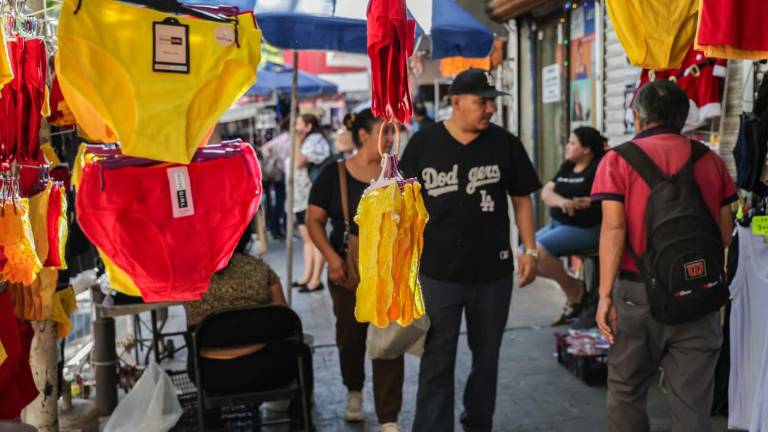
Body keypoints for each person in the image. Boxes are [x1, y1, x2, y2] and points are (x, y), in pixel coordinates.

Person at [399, 68, 541, 432]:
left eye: (492, 102)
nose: (490, 109)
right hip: (437, 274)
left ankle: (479, 423)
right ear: (456, 102)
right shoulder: (423, 144)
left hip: (493, 274)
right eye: (482, 102)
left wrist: (530, 248)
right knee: (436, 359)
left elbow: (522, 198)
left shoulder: (505, 143)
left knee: (487, 358)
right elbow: (403, 206)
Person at [591, 80, 737, 432]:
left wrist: (604, 295)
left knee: (627, 390)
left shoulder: (617, 160)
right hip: (699, 293)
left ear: (638, 117)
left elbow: (614, 229)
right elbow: (723, 230)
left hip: (636, 295)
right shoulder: (711, 160)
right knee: (693, 401)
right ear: (684, 117)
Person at [306, 109, 403, 432]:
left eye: (394, 133)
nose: (391, 139)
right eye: (385, 133)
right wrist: (332, 260)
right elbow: (314, 220)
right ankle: (354, 392)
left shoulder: (398, 173)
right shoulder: (334, 175)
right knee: (351, 335)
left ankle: (389, 415)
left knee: (389, 340)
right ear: (364, 136)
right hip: (348, 270)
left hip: (389, 269)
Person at [183, 221, 314, 430]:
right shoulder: (261, 270)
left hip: (214, 376)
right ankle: (301, 423)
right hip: (268, 371)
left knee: (196, 349)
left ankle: (212, 424)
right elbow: (287, 322)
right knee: (303, 352)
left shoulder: (193, 278)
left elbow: (192, 331)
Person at [536, 126, 606, 325]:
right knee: (525, 255)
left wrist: (591, 201)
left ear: (587, 149)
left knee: (539, 253)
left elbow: (610, 196)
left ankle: (574, 294)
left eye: (572, 143)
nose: (567, 146)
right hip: (557, 224)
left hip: (586, 229)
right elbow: (546, 193)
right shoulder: (568, 165)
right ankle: (575, 288)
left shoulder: (599, 167)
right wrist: (562, 202)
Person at [291, 113, 330, 293]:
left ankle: (316, 279)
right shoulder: (306, 140)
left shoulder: (314, 140)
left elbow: (299, 162)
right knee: (307, 239)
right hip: (299, 196)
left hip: (309, 194)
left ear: (308, 126)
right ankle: (307, 275)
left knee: (315, 238)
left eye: (298, 124)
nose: (295, 127)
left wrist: (298, 142)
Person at [261, 118, 291, 240]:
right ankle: (277, 228)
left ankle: (275, 228)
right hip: (281, 173)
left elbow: (264, 148)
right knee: (280, 201)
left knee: (277, 201)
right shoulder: (288, 139)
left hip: (275, 173)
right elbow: (286, 158)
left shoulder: (281, 138)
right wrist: (277, 160)